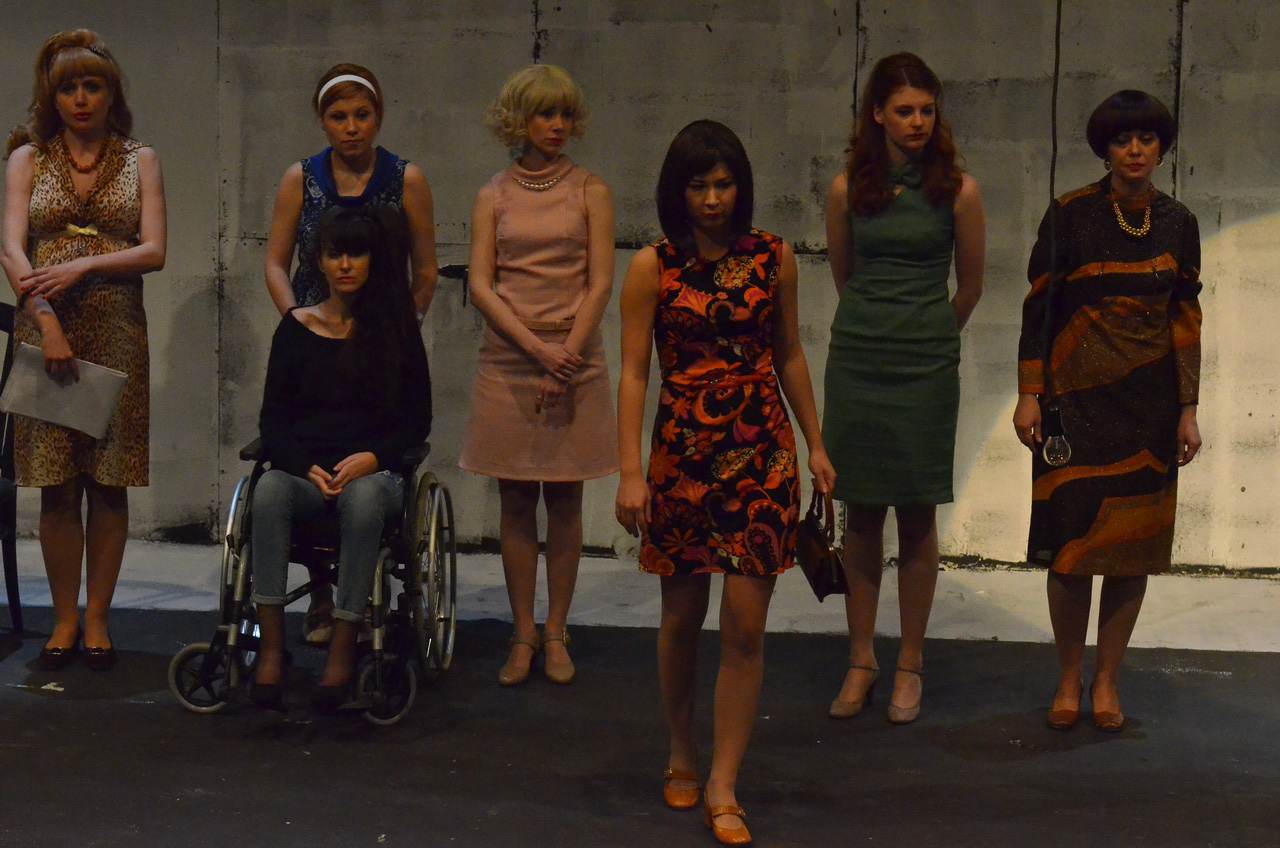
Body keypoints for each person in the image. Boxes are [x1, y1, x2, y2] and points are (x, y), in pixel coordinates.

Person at [615, 119, 836, 846]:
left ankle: (724, 781)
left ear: (741, 186)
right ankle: (682, 748)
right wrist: (628, 472)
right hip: (681, 455)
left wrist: (815, 443)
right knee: (680, 618)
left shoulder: (774, 257)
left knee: (745, 623)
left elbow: (790, 354)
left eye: (724, 183)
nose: (713, 198)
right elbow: (633, 372)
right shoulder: (652, 265)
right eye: (698, 185)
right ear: (676, 191)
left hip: (763, 450)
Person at [1013, 90, 1202, 732]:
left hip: (1149, 408)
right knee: (1071, 548)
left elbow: (1186, 316)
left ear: (1161, 148)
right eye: (1123, 140)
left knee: (1130, 551)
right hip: (1073, 405)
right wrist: (1029, 392)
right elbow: (1038, 306)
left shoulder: (1179, 221)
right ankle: (1068, 679)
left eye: (1146, 139)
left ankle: (1107, 680)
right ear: (1105, 148)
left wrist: (1188, 407)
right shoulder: (1070, 213)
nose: (1135, 150)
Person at [822, 53, 985, 724]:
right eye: (904, 111)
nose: (917, 122)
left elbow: (970, 287)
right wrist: (879, 326)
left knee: (918, 515)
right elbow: (845, 277)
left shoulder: (959, 191)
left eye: (926, 110)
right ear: (877, 115)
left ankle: (910, 663)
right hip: (858, 360)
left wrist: (927, 334)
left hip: (926, 366)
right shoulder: (846, 189)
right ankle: (861, 659)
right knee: (860, 516)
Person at [1, 30, 167, 671]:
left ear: (111, 93)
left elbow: (154, 250)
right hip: (47, 329)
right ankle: (64, 619)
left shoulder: (139, 158)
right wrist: (46, 322)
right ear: (52, 95)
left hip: (117, 329)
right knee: (56, 484)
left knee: (108, 482)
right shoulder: (27, 158)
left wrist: (84, 265)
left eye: (91, 86)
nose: (79, 98)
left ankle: (98, 617)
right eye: (68, 87)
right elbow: (14, 251)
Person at [262, 62, 438, 645]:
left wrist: (397, 330)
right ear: (322, 121)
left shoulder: (406, 179)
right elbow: (275, 263)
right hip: (316, 328)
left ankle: (355, 605)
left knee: (365, 464)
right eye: (338, 116)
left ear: (378, 117)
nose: (352, 126)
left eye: (362, 115)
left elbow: (426, 269)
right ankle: (319, 598)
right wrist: (297, 322)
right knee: (307, 450)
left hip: (381, 330)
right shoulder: (301, 178)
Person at [460, 64, 617, 687]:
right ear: (518, 119)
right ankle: (522, 632)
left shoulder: (591, 190)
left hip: (575, 356)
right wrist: (535, 351)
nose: (557, 125)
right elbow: (481, 284)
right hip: (509, 359)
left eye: (565, 114)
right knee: (518, 500)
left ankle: (557, 631)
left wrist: (564, 356)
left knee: (567, 499)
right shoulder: (493, 194)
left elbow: (600, 283)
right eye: (545, 114)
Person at [250, 205, 431, 713]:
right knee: (269, 489)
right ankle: (271, 648)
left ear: (373, 260)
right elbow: (273, 421)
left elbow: (416, 422)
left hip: (375, 475)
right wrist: (300, 465)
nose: (346, 265)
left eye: (356, 254)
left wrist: (372, 458)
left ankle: (343, 645)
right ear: (320, 261)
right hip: (308, 476)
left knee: (365, 499)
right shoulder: (295, 328)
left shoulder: (397, 331)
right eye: (335, 254)